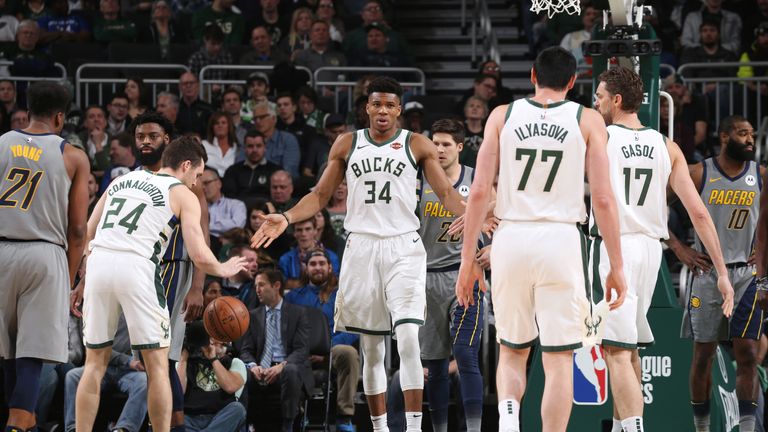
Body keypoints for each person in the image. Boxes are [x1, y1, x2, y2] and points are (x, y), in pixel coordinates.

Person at [251, 76, 465, 432]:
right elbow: (320, 195)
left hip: (403, 246)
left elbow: (446, 194)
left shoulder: (417, 144)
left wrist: (475, 212)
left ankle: (413, 428)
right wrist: (286, 217)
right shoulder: (348, 143)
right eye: (376, 104)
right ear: (367, 107)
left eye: (390, 105)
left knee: (409, 338)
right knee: (373, 347)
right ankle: (380, 428)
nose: (383, 111)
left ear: (399, 110)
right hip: (362, 246)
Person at [455, 46, 628, 432]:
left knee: (512, 350)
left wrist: (467, 262)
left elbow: (480, 191)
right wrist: (616, 266)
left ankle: (509, 420)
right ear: (572, 81)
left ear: (532, 76)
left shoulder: (503, 115)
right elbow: (602, 198)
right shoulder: (587, 120)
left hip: (511, 237)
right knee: (558, 358)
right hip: (562, 239)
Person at [593, 67, 734, 432]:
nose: (596, 102)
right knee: (630, 349)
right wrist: (722, 273)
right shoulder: (666, 145)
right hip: (650, 252)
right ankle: (624, 427)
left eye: (600, 96)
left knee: (616, 351)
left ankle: (636, 429)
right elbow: (699, 213)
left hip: (615, 248)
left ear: (617, 100)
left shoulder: (600, 137)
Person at [74, 136, 247, 432]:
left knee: (93, 365)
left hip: (100, 263)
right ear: (187, 165)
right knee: (157, 369)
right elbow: (198, 253)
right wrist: (223, 266)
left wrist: (80, 280)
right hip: (138, 267)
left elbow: (86, 232)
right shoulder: (182, 193)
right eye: (197, 175)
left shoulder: (122, 180)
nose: (197, 183)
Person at [0, 81, 89, 432]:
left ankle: (25, 423)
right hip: (45, 253)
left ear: (26, 108)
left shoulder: (2, 143)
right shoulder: (73, 155)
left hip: (2, 247)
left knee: (8, 350)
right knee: (31, 354)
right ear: (60, 117)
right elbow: (79, 230)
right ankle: (19, 425)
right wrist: (67, 280)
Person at [670, 115, 761, 432]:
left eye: (751, 134)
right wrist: (679, 247)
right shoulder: (699, 173)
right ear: (724, 137)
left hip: (747, 275)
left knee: (748, 352)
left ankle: (748, 428)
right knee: (703, 355)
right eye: (742, 133)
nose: (749, 139)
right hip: (707, 275)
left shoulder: (760, 175)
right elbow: (653, 205)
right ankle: (702, 427)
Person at [417, 118, 484, 432]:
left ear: (459, 147)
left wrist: (492, 248)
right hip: (427, 277)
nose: (439, 149)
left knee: (465, 355)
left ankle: (474, 428)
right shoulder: (418, 181)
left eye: (446, 144)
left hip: (464, 275)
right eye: (435, 143)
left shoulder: (477, 181)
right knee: (436, 366)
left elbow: (500, 217)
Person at [284, 249, 360, 432]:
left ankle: (344, 417)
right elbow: (285, 329)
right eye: (313, 264)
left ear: (330, 267)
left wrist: (326, 350)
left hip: (331, 353)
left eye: (321, 263)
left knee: (349, 353)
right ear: (305, 267)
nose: (317, 267)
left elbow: (351, 328)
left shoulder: (341, 295)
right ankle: (297, 414)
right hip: (300, 354)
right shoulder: (292, 297)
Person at [239, 268, 313, 432]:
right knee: (241, 371)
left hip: (285, 368)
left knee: (291, 370)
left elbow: (301, 350)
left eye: (262, 285)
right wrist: (252, 366)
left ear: (276, 286)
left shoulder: (298, 313)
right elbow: (245, 350)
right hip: (261, 369)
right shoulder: (253, 315)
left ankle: (287, 426)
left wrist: (281, 366)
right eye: (255, 285)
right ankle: (244, 425)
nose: (257, 289)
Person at [177, 334, 247, 432]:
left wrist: (213, 358)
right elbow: (178, 392)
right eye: (208, 337)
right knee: (173, 415)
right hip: (190, 418)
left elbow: (230, 387)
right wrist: (183, 358)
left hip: (219, 418)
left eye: (215, 337)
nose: (211, 342)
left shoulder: (235, 362)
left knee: (238, 409)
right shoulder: (187, 362)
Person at [201, 167, 246, 239]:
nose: (203, 187)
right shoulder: (197, 206)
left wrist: (205, 226)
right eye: (200, 184)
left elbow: (237, 225)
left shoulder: (236, 205)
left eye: (206, 183)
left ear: (219, 183)